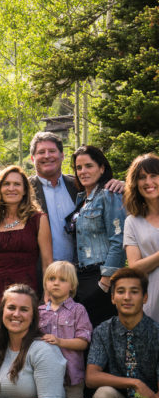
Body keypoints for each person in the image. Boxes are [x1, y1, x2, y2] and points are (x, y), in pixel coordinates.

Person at [86, 268, 159, 398]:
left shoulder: (157, 333)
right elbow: (91, 377)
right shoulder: (103, 331)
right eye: (120, 292)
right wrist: (135, 383)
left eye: (134, 292)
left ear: (144, 298)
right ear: (112, 298)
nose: (127, 297)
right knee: (103, 396)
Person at [28, 132, 124, 263]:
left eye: (52, 151)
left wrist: (124, 185)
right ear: (32, 158)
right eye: (41, 152)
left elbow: (106, 192)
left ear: (62, 156)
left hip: (82, 271)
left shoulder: (79, 185)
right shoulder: (23, 191)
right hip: (44, 273)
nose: (47, 155)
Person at [0, 165, 52, 319]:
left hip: (25, 294)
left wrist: (47, 295)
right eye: (6, 184)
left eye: (17, 184)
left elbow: (47, 263)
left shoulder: (38, 219)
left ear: (25, 190)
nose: (11, 188)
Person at [66, 145, 126, 327]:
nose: (83, 171)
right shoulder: (81, 199)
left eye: (89, 166)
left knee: (101, 333)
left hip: (101, 276)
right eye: (79, 167)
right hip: (81, 279)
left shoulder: (109, 195)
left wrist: (105, 283)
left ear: (102, 168)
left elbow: (119, 240)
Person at [38, 260, 92, 398]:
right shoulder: (39, 312)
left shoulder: (78, 310)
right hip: (48, 378)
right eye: (51, 279)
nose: (56, 283)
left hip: (72, 377)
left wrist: (60, 341)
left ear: (72, 286)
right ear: (45, 283)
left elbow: (83, 341)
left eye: (62, 279)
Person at [123, 153, 159, 323]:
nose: (148, 182)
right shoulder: (132, 222)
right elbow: (135, 268)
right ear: (135, 184)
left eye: (153, 175)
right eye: (142, 177)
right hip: (152, 301)